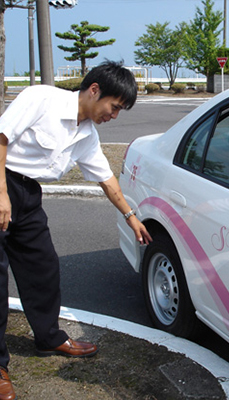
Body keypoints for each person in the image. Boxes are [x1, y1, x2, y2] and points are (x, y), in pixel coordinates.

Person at [0, 60, 152, 400]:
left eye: (120, 112)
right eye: (113, 107)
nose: (113, 116)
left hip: (27, 194)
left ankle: (49, 337)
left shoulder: (87, 136)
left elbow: (105, 178)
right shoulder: (42, 99)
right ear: (94, 90)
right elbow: (1, 136)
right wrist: (0, 193)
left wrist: (131, 216)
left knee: (43, 267)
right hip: (0, 180)